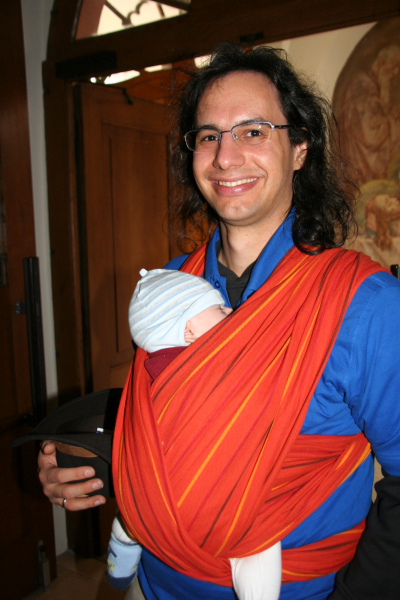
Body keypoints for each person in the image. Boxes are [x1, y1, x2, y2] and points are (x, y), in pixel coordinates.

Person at [37, 43, 400, 600]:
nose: (226, 157)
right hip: (154, 584)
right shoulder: (169, 284)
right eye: (208, 135)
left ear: (300, 148)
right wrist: (95, 462)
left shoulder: (367, 305)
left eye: (253, 131)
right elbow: (179, 426)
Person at [108, 268, 281, 600]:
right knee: (259, 542)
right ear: (189, 331)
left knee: (133, 516)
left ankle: (122, 548)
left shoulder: (150, 372)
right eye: (218, 308)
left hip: (151, 499)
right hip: (205, 501)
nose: (230, 309)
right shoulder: (207, 370)